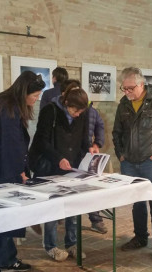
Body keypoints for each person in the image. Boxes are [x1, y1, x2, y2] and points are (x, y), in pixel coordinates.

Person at [0, 71, 45, 272]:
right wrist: (19, 173)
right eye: (34, 95)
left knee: (11, 216)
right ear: (24, 91)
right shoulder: (8, 108)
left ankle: (7, 259)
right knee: (3, 218)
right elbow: (11, 146)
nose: (36, 99)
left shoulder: (6, 102)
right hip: (1, 171)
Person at [112, 67, 152, 261]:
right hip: (129, 163)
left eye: (130, 88)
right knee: (137, 203)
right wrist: (121, 155)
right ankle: (140, 237)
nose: (127, 92)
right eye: (124, 89)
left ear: (141, 84)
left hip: (151, 162)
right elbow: (116, 133)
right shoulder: (123, 105)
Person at [29, 82, 92, 262]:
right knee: (52, 208)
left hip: (71, 167)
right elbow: (42, 140)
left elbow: (83, 140)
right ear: (66, 104)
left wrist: (88, 158)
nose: (78, 114)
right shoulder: (50, 111)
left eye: (81, 112)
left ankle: (72, 243)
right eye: (75, 111)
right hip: (49, 166)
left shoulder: (83, 112)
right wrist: (58, 158)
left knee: (73, 205)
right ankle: (51, 246)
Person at [60, 79, 108, 234]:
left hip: (86, 153)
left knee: (90, 188)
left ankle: (96, 219)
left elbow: (100, 125)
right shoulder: (62, 112)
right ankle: (69, 222)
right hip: (70, 154)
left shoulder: (91, 111)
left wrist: (97, 144)